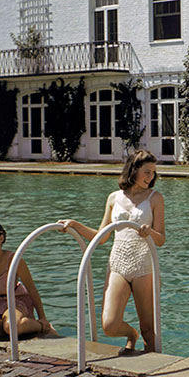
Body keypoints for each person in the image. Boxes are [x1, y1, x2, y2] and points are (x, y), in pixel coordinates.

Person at [58, 150, 165, 352]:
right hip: (117, 263)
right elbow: (103, 235)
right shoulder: (113, 198)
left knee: (149, 330)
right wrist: (75, 225)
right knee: (109, 325)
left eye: (153, 173)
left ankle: (153, 372)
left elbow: (161, 239)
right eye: (146, 172)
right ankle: (131, 335)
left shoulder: (155, 198)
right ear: (133, 170)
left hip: (144, 265)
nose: (150, 177)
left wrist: (150, 232)